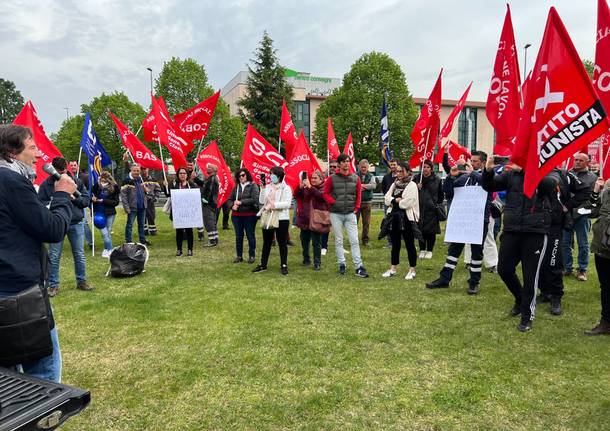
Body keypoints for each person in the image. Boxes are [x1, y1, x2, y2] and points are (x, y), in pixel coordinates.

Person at [0, 124, 76, 382]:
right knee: (42, 375)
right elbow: (52, 229)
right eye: (32, 147)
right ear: (12, 151)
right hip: (19, 295)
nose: (39, 154)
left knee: (8, 380)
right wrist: (63, 196)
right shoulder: (9, 181)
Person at [482, 157, 556, 332]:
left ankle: (526, 316)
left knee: (530, 277)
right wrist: (488, 171)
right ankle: (520, 297)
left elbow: (550, 185)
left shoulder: (544, 171)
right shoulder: (510, 175)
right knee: (504, 269)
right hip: (512, 230)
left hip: (535, 232)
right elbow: (489, 186)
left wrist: (528, 169)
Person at [425, 152, 491, 295]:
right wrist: (451, 176)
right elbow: (448, 192)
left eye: (475, 161)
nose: (471, 163)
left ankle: (474, 282)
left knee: (476, 252)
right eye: (471, 161)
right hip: (462, 219)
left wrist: (472, 173)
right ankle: (444, 278)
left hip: (479, 220)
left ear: (483, 163)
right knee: (454, 250)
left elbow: (486, 184)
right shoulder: (464, 178)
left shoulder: (487, 176)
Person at [38, 157, 93, 296]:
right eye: (58, 172)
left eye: (63, 171)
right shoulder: (46, 185)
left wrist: (75, 199)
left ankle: (82, 281)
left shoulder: (76, 182)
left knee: (79, 254)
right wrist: (55, 201)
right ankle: (53, 285)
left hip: (76, 222)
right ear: (52, 170)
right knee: (54, 255)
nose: (62, 174)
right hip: (56, 223)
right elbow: (41, 203)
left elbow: (86, 200)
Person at [324, 153, 369, 277]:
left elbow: (358, 194)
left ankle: (359, 266)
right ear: (339, 164)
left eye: (347, 161)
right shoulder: (331, 178)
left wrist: (356, 208)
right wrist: (334, 202)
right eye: (343, 161)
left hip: (350, 213)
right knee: (339, 240)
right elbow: (325, 194)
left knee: (354, 240)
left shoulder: (356, 178)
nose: (346, 163)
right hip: (336, 214)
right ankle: (341, 264)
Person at [562, 152, 598, 281]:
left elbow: (593, 197)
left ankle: (582, 270)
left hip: (582, 214)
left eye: (580, 160)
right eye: (575, 160)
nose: (577, 162)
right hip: (566, 213)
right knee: (565, 242)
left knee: (583, 243)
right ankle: (567, 267)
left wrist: (581, 210)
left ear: (587, 163)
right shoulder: (565, 173)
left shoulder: (593, 178)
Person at [382, 162, 419, 280]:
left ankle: (412, 269)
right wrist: (395, 200)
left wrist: (396, 202)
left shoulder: (412, 185)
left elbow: (407, 203)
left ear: (408, 171)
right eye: (397, 171)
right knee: (395, 243)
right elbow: (386, 198)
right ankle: (393, 268)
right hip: (394, 217)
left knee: (409, 244)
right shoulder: (395, 184)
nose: (398, 174)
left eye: (401, 171)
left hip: (407, 218)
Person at [253, 166, 292, 275]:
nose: (271, 176)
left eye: (273, 174)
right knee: (267, 242)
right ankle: (263, 264)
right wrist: (263, 188)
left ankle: (284, 264)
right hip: (268, 218)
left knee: (282, 242)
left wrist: (273, 205)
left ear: (279, 176)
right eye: (270, 174)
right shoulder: (268, 187)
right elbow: (262, 200)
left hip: (281, 218)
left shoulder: (286, 188)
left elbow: (287, 204)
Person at [585, 177, 610, 335]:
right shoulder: (606, 188)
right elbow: (591, 211)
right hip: (602, 246)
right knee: (606, 287)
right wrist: (596, 191)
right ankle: (606, 322)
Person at [295, 170, 329, 271]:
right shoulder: (306, 187)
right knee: (304, 241)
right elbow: (296, 196)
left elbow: (321, 197)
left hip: (316, 219)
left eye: (315, 178)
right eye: (312, 178)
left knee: (316, 242)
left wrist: (310, 187)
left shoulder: (324, 188)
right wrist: (300, 188)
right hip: (305, 218)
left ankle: (317, 262)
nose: (313, 180)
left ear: (321, 179)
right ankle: (306, 259)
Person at [227, 168, 259, 263]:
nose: (241, 177)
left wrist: (241, 202)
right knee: (239, 236)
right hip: (237, 216)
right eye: (239, 176)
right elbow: (229, 199)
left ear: (247, 175)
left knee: (250, 235)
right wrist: (232, 206)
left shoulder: (253, 186)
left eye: (243, 175)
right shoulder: (236, 187)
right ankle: (239, 256)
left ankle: (252, 255)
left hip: (249, 215)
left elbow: (255, 199)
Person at [413, 159, 443, 259]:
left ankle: (429, 250)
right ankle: (422, 250)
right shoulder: (417, 178)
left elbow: (440, 195)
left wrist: (435, 204)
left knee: (431, 231)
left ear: (431, 168)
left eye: (427, 167)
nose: (425, 169)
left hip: (432, 209)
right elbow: (410, 192)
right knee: (420, 230)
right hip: (419, 208)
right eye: (424, 167)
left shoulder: (437, 179)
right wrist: (416, 187)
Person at [164, 167, 196, 256]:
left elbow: (197, 195)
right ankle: (179, 250)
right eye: (180, 173)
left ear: (187, 175)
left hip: (188, 212)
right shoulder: (174, 184)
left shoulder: (192, 184)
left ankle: (190, 250)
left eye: (184, 173)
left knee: (189, 231)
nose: (182, 175)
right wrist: (165, 186)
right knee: (179, 231)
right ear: (178, 175)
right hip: (178, 212)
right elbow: (168, 194)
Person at [91, 171, 120, 258]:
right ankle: (110, 249)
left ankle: (107, 249)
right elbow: (91, 196)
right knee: (104, 233)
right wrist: (92, 199)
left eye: (104, 180)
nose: (102, 182)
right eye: (101, 180)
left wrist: (103, 201)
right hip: (99, 212)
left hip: (110, 213)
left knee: (107, 233)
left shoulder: (114, 187)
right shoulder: (96, 186)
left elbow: (116, 202)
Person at [121, 163, 149, 245]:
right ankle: (128, 241)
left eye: (138, 170)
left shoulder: (141, 180)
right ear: (131, 170)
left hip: (142, 206)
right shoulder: (126, 181)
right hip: (132, 207)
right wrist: (126, 208)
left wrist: (146, 189)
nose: (136, 172)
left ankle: (142, 240)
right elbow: (123, 196)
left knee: (141, 225)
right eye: (134, 170)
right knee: (130, 225)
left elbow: (147, 191)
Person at [320, 159, 339, 256]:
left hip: (337, 206)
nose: (332, 168)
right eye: (330, 166)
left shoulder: (340, 178)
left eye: (334, 167)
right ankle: (323, 247)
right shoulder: (323, 177)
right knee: (325, 227)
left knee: (338, 228)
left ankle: (339, 247)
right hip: (326, 206)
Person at [356, 159, 376, 246]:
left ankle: (365, 240)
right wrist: (366, 186)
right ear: (359, 167)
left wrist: (361, 186)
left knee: (366, 222)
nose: (364, 169)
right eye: (362, 167)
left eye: (365, 167)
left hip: (367, 202)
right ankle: (354, 240)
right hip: (356, 202)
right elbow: (353, 185)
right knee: (354, 222)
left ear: (368, 167)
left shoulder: (371, 176)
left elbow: (373, 185)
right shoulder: (355, 175)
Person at [381, 159, 399, 248]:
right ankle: (390, 242)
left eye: (394, 164)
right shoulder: (386, 177)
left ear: (397, 165)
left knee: (400, 222)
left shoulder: (401, 177)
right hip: (388, 204)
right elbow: (384, 189)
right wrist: (389, 200)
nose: (393, 166)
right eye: (391, 165)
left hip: (399, 203)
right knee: (388, 222)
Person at [200, 164, 220, 246]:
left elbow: (210, 190)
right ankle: (215, 238)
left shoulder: (212, 179)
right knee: (213, 221)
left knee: (209, 222)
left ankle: (212, 241)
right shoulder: (213, 178)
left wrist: (206, 200)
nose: (206, 168)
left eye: (209, 167)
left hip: (209, 203)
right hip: (213, 203)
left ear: (213, 170)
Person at [141, 167, 161, 236]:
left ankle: (153, 231)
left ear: (148, 169)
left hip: (150, 201)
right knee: (142, 216)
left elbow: (158, 189)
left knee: (151, 216)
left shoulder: (153, 179)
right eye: (142, 169)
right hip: (141, 201)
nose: (143, 170)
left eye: (145, 169)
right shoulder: (138, 179)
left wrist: (155, 198)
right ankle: (144, 231)